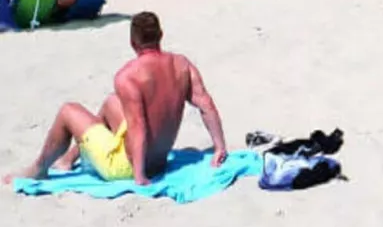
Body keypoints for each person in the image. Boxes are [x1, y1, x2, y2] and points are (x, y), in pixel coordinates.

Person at [5, 12, 227, 186]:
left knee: (68, 110)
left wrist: (139, 176)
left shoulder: (128, 76)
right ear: (161, 36)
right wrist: (219, 148)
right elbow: (206, 105)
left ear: (133, 43)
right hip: (159, 162)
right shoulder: (182, 65)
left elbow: (139, 127)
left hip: (126, 167)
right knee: (112, 102)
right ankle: (69, 157)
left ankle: (39, 169)